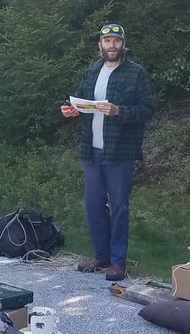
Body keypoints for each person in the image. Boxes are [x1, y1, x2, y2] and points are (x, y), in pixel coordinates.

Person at [61, 23, 154, 282]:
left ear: (123, 44)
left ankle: (118, 262)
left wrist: (119, 111)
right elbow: (78, 100)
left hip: (119, 151)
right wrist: (71, 110)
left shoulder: (136, 73)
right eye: (107, 41)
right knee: (93, 204)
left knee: (120, 206)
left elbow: (147, 109)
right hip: (92, 150)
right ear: (99, 45)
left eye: (116, 41)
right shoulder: (92, 72)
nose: (111, 45)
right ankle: (101, 255)